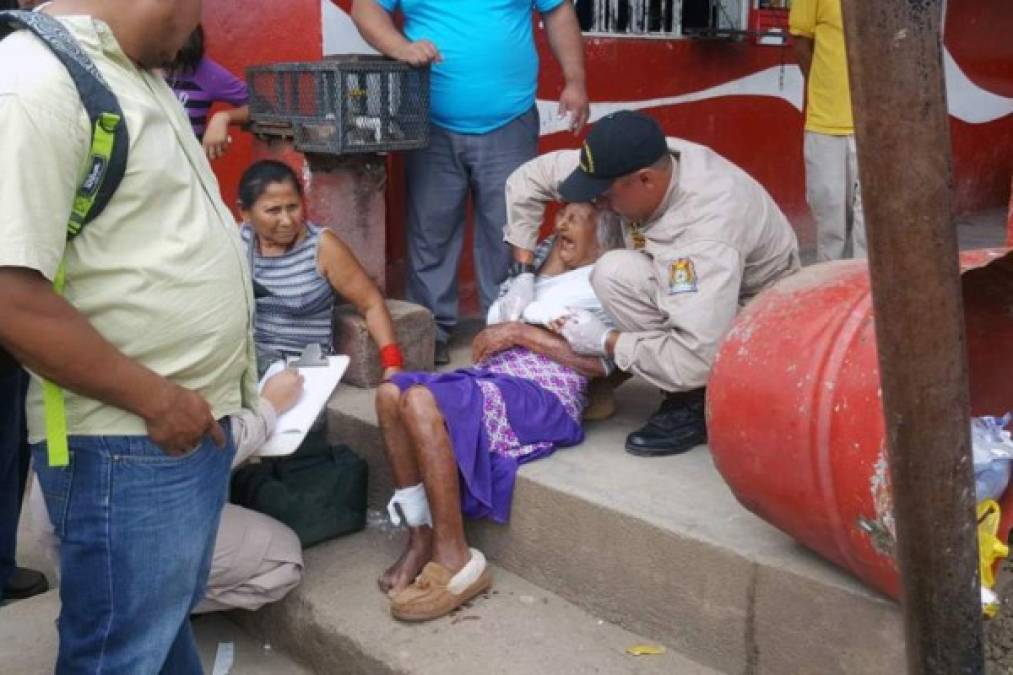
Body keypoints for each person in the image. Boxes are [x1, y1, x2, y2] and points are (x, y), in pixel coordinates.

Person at [0, 2, 259, 671]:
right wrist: (157, 400)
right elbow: (10, 297)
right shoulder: (34, 82)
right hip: (130, 437)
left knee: (152, 631)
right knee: (121, 652)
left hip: (172, 425)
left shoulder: (124, 70)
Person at [502, 110, 801, 457]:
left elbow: (696, 355)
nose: (597, 202)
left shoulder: (704, 233)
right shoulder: (629, 162)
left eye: (603, 194)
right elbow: (525, 181)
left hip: (757, 319)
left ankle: (696, 400)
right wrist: (523, 273)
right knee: (614, 272)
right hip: (687, 278)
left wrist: (608, 341)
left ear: (645, 181)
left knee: (618, 278)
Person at [374, 203, 618, 622]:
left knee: (419, 400)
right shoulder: (528, 281)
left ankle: (456, 559)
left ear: (604, 239)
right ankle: (420, 535)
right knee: (389, 393)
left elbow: (608, 363)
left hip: (544, 392)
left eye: (576, 218)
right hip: (493, 377)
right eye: (560, 216)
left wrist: (522, 333)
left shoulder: (605, 284)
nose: (560, 223)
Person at [350, 0, 589, 365]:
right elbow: (365, 9)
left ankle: (504, 328)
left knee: (508, 232)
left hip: (510, 117)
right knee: (431, 232)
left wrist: (575, 81)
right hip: (427, 120)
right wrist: (400, 48)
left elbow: (558, 11)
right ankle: (431, 331)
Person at [26, 368, 308, 614]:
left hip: (66, 505)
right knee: (283, 560)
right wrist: (269, 405)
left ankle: (122, 601)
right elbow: (200, 449)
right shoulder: (160, 366)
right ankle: (138, 609)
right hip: (119, 516)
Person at [239, 160, 405, 377]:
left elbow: (371, 303)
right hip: (249, 363)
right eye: (273, 211)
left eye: (293, 207)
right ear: (245, 213)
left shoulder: (322, 246)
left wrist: (392, 364)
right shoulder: (239, 240)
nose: (287, 220)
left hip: (301, 370)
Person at [790, 0, 866, 261]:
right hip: (826, 125)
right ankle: (833, 289)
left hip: (875, 127)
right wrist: (825, 91)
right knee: (831, 224)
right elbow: (800, 41)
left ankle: (865, 294)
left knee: (869, 226)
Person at [165, 24, 250, 161]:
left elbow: (261, 108)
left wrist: (224, 117)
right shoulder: (133, 67)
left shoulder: (205, 72)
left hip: (186, 175)